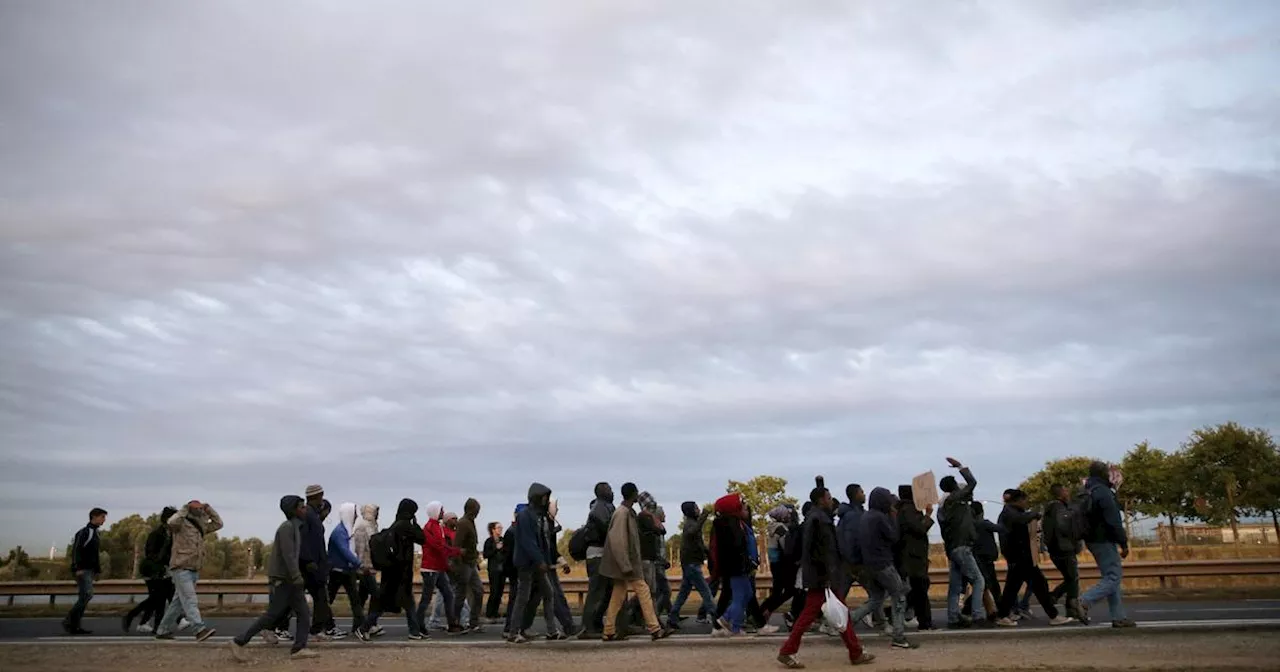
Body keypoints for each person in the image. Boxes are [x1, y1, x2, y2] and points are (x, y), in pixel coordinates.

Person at [777, 486, 875, 669]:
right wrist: (828, 576)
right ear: (821, 500)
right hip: (823, 578)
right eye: (828, 498)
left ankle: (856, 651)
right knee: (810, 616)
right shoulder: (820, 520)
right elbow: (822, 552)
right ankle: (787, 650)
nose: (831, 501)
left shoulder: (815, 518)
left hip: (821, 576)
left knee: (839, 613)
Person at [229, 496, 318, 661]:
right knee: (272, 615)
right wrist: (297, 575)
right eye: (302, 507)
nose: (305, 510)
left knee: (304, 613)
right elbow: (288, 555)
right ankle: (239, 641)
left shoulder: (295, 527)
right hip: (284, 580)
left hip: (290, 579)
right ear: (294, 510)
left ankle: (299, 648)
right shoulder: (287, 528)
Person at [600, 482, 673, 642]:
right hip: (628, 564)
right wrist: (626, 565)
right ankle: (654, 628)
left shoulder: (626, 512)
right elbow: (618, 540)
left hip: (625, 563)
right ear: (633, 494)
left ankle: (609, 630)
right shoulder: (623, 513)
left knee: (618, 595)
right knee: (644, 591)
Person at [849, 488, 915, 649]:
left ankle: (848, 621)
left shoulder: (866, 516)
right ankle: (899, 636)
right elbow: (894, 537)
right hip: (883, 563)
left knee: (876, 599)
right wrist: (894, 517)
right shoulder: (880, 517)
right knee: (899, 596)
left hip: (869, 565)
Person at [996, 490, 1073, 627]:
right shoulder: (1010, 513)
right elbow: (1021, 519)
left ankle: (1002, 615)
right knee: (1039, 585)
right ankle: (1053, 615)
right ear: (1018, 500)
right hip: (1020, 556)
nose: (1026, 503)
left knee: (1013, 588)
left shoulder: (1010, 512)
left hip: (1019, 556)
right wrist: (1035, 515)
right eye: (1025, 500)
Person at [357, 498, 426, 641]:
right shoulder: (405, 526)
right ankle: (363, 628)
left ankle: (414, 631)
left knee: (407, 602)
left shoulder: (396, 525)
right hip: (399, 572)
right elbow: (422, 538)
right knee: (386, 602)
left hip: (396, 571)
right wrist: (415, 522)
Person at [1079, 461, 1136, 628]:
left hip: (1091, 539)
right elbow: (1113, 520)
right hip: (1103, 539)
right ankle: (1084, 601)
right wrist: (1123, 542)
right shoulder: (1103, 492)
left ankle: (1118, 616)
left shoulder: (1087, 490)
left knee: (1111, 578)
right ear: (1102, 473)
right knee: (1113, 577)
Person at [155, 500, 221, 641]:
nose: (200, 510)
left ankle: (162, 630)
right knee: (190, 599)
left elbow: (218, 524)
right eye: (197, 508)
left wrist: (210, 509)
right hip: (181, 567)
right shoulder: (180, 523)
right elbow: (171, 522)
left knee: (178, 602)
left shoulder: (201, 524)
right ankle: (199, 629)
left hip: (194, 567)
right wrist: (186, 507)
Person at [507, 483, 565, 643]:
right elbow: (528, 541)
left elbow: (542, 541)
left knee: (548, 594)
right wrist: (540, 560)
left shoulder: (539, 516)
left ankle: (551, 631)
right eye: (544, 497)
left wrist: (544, 560)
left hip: (536, 563)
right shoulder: (525, 516)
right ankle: (513, 632)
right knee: (522, 597)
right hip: (527, 564)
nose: (546, 500)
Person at [938, 457, 986, 628]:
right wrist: (959, 466)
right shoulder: (957, 499)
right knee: (979, 580)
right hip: (963, 546)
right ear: (953, 487)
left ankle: (953, 617)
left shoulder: (943, 507)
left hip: (952, 548)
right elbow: (972, 482)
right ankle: (978, 615)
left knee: (956, 586)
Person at [124, 506, 177, 634]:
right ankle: (154, 625)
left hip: (165, 571)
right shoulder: (156, 534)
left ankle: (153, 625)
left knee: (160, 599)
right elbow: (151, 554)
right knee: (158, 599)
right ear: (168, 519)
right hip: (154, 572)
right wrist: (163, 561)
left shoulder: (171, 534)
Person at [710, 493, 753, 636]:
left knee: (747, 594)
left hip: (738, 566)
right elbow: (737, 547)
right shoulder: (730, 524)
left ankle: (728, 620)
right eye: (742, 506)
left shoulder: (731, 523)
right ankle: (732, 624)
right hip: (736, 567)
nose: (745, 508)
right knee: (740, 596)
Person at [668, 500, 716, 629]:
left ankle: (672, 617)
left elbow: (698, 543)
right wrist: (704, 517)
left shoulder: (692, 523)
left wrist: (709, 551)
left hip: (691, 562)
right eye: (696, 508)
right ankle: (717, 618)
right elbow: (692, 532)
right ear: (690, 511)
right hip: (691, 564)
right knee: (706, 591)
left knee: (684, 591)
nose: (698, 510)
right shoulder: (690, 524)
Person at [579, 482, 617, 639]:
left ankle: (595, 622)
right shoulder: (600, 508)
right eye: (609, 489)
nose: (612, 492)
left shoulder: (603, 506)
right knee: (597, 592)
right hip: (598, 555)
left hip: (601, 554)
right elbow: (609, 530)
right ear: (602, 492)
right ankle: (588, 627)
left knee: (606, 591)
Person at [416, 501, 460, 637]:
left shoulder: (437, 526)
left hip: (438, 568)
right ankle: (418, 625)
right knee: (426, 598)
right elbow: (438, 547)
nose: (443, 512)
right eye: (441, 510)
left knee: (448, 594)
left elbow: (442, 547)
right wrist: (455, 552)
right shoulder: (429, 527)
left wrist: (454, 552)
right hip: (430, 568)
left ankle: (452, 624)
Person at [895, 485, 934, 632]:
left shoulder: (901, 510)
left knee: (914, 590)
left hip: (909, 557)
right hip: (913, 558)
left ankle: (901, 615)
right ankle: (925, 623)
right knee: (920, 589)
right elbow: (920, 529)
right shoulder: (909, 510)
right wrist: (928, 514)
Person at [64, 507, 107, 635]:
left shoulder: (95, 533)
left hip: (89, 570)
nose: (104, 520)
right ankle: (70, 621)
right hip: (83, 570)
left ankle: (74, 625)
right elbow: (77, 550)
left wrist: (97, 570)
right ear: (94, 517)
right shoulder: (85, 532)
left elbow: (94, 554)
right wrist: (77, 568)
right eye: (102, 517)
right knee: (87, 595)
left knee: (85, 596)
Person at [759, 505, 800, 634]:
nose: (789, 515)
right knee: (790, 590)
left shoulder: (772, 527)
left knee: (778, 591)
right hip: (783, 564)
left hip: (774, 563)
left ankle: (761, 613)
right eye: (787, 514)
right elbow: (786, 547)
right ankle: (763, 612)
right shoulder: (781, 529)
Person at [326, 502, 366, 636]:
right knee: (327, 601)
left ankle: (360, 627)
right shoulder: (340, 532)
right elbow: (345, 551)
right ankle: (326, 627)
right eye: (354, 513)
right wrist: (359, 564)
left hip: (348, 571)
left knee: (355, 601)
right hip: (336, 572)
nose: (356, 516)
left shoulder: (348, 531)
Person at [1044, 484, 1083, 619]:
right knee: (1073, 578)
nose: (1068, 493)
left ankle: (1068, 607)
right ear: (1061, 493)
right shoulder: (1060, 508)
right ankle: (1060, 600)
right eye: (1066, 490)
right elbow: (1064, 525)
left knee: (1070, 578)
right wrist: (1075, 537)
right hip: (1064, 548)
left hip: (1055, 548)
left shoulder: (1049, 508)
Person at [963, 502, 1002, 621]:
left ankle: (969, 609)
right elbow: (1000, 528)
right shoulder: (984, 524)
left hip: (977, 558)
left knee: (983, 585)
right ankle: (1000, 611)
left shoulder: (970, 525)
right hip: (985, 559)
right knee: (991, 585)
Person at [452, 498, 485, 633]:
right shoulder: (463, 523)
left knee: (478, 591)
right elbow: (457, 546)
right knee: (460, 594)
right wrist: (458, 563)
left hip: (471, 563)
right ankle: (455, 622)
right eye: (477, 510)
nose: (478, 512)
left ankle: (473, 622)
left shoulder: (470, 522)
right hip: (464, 564)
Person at [352, 504, 382, 637]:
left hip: (370, 567)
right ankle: (368, 625)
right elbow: (360, 549)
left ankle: (358, 625)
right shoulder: (362, 527)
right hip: (365, 568)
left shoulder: (372, 526)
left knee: (362, 597)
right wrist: (361, 566)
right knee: (376, 596)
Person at [483, 521, 507, 621]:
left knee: (500, 591)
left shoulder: (503, 540)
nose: (500, 529)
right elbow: (486, 554)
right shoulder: (489, 541)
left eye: (501, 527)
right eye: (498, 528)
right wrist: (496, 549)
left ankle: (495, 612)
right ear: (493, 529)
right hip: (493, 569)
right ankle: (489, 613)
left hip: (503, 569)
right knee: (494, 591)